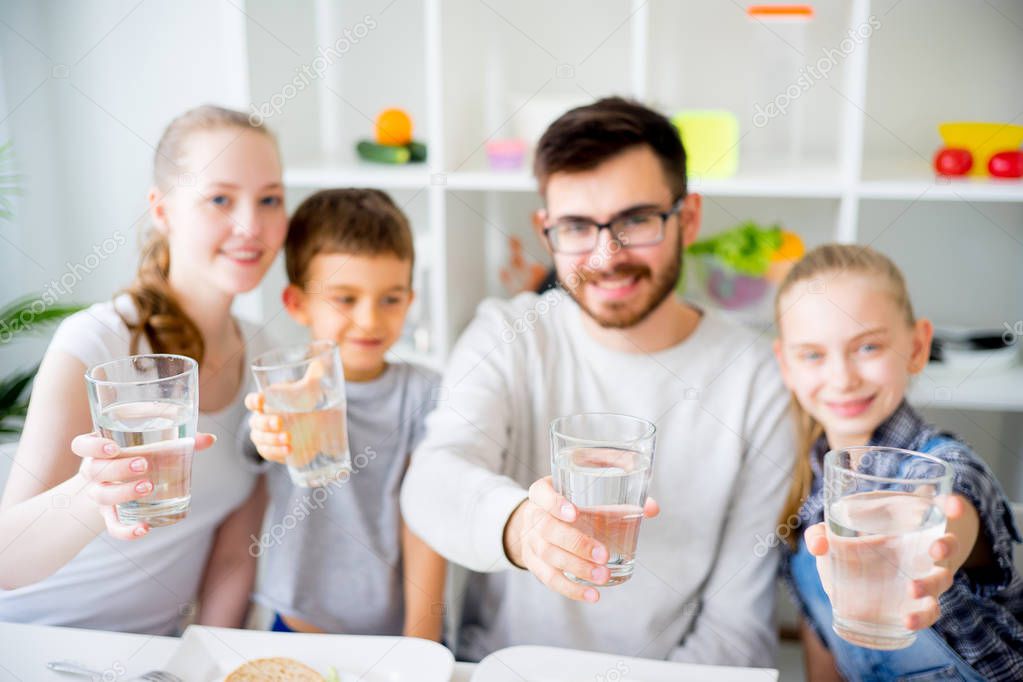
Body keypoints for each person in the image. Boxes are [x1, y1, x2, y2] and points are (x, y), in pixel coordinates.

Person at [399, 97, 796, 665]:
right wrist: (519, 528)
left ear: (687, 218)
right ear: (546, 231)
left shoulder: (756, 379)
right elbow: (433, 479)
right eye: (578, 227)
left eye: (636, 220)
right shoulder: (508, 334)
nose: (606, 256)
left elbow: (738, 630)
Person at [0, 105, 287, 634]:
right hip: (36, 640)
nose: (252, 226)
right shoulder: (95, 342)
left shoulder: (266, 354)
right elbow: (8, 561)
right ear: (163, 210)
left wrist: (206, 663)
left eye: (270, 199)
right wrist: (93, 492)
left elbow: (233, 555)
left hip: (154, 656)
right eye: (220, 199)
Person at [773, 244, 1023, 680]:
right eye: (813, 354)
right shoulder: (805, 489)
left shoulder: (945, 465)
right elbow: (822, 641)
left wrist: (935, 555)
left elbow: (947, 507)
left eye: (867, 347)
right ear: (786, 365)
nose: (842, 378)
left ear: (917, 346)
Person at [244, 189, 446, 640]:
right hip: (299, 624)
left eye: (390, 299)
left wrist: (422, 645)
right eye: (345, 299)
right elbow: (258, 437)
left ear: (411, 300)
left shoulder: (425, 393)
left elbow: (425, 525)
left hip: (400, 633)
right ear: (297, 303)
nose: (370, 321)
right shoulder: (286, 389)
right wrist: (270, 431)